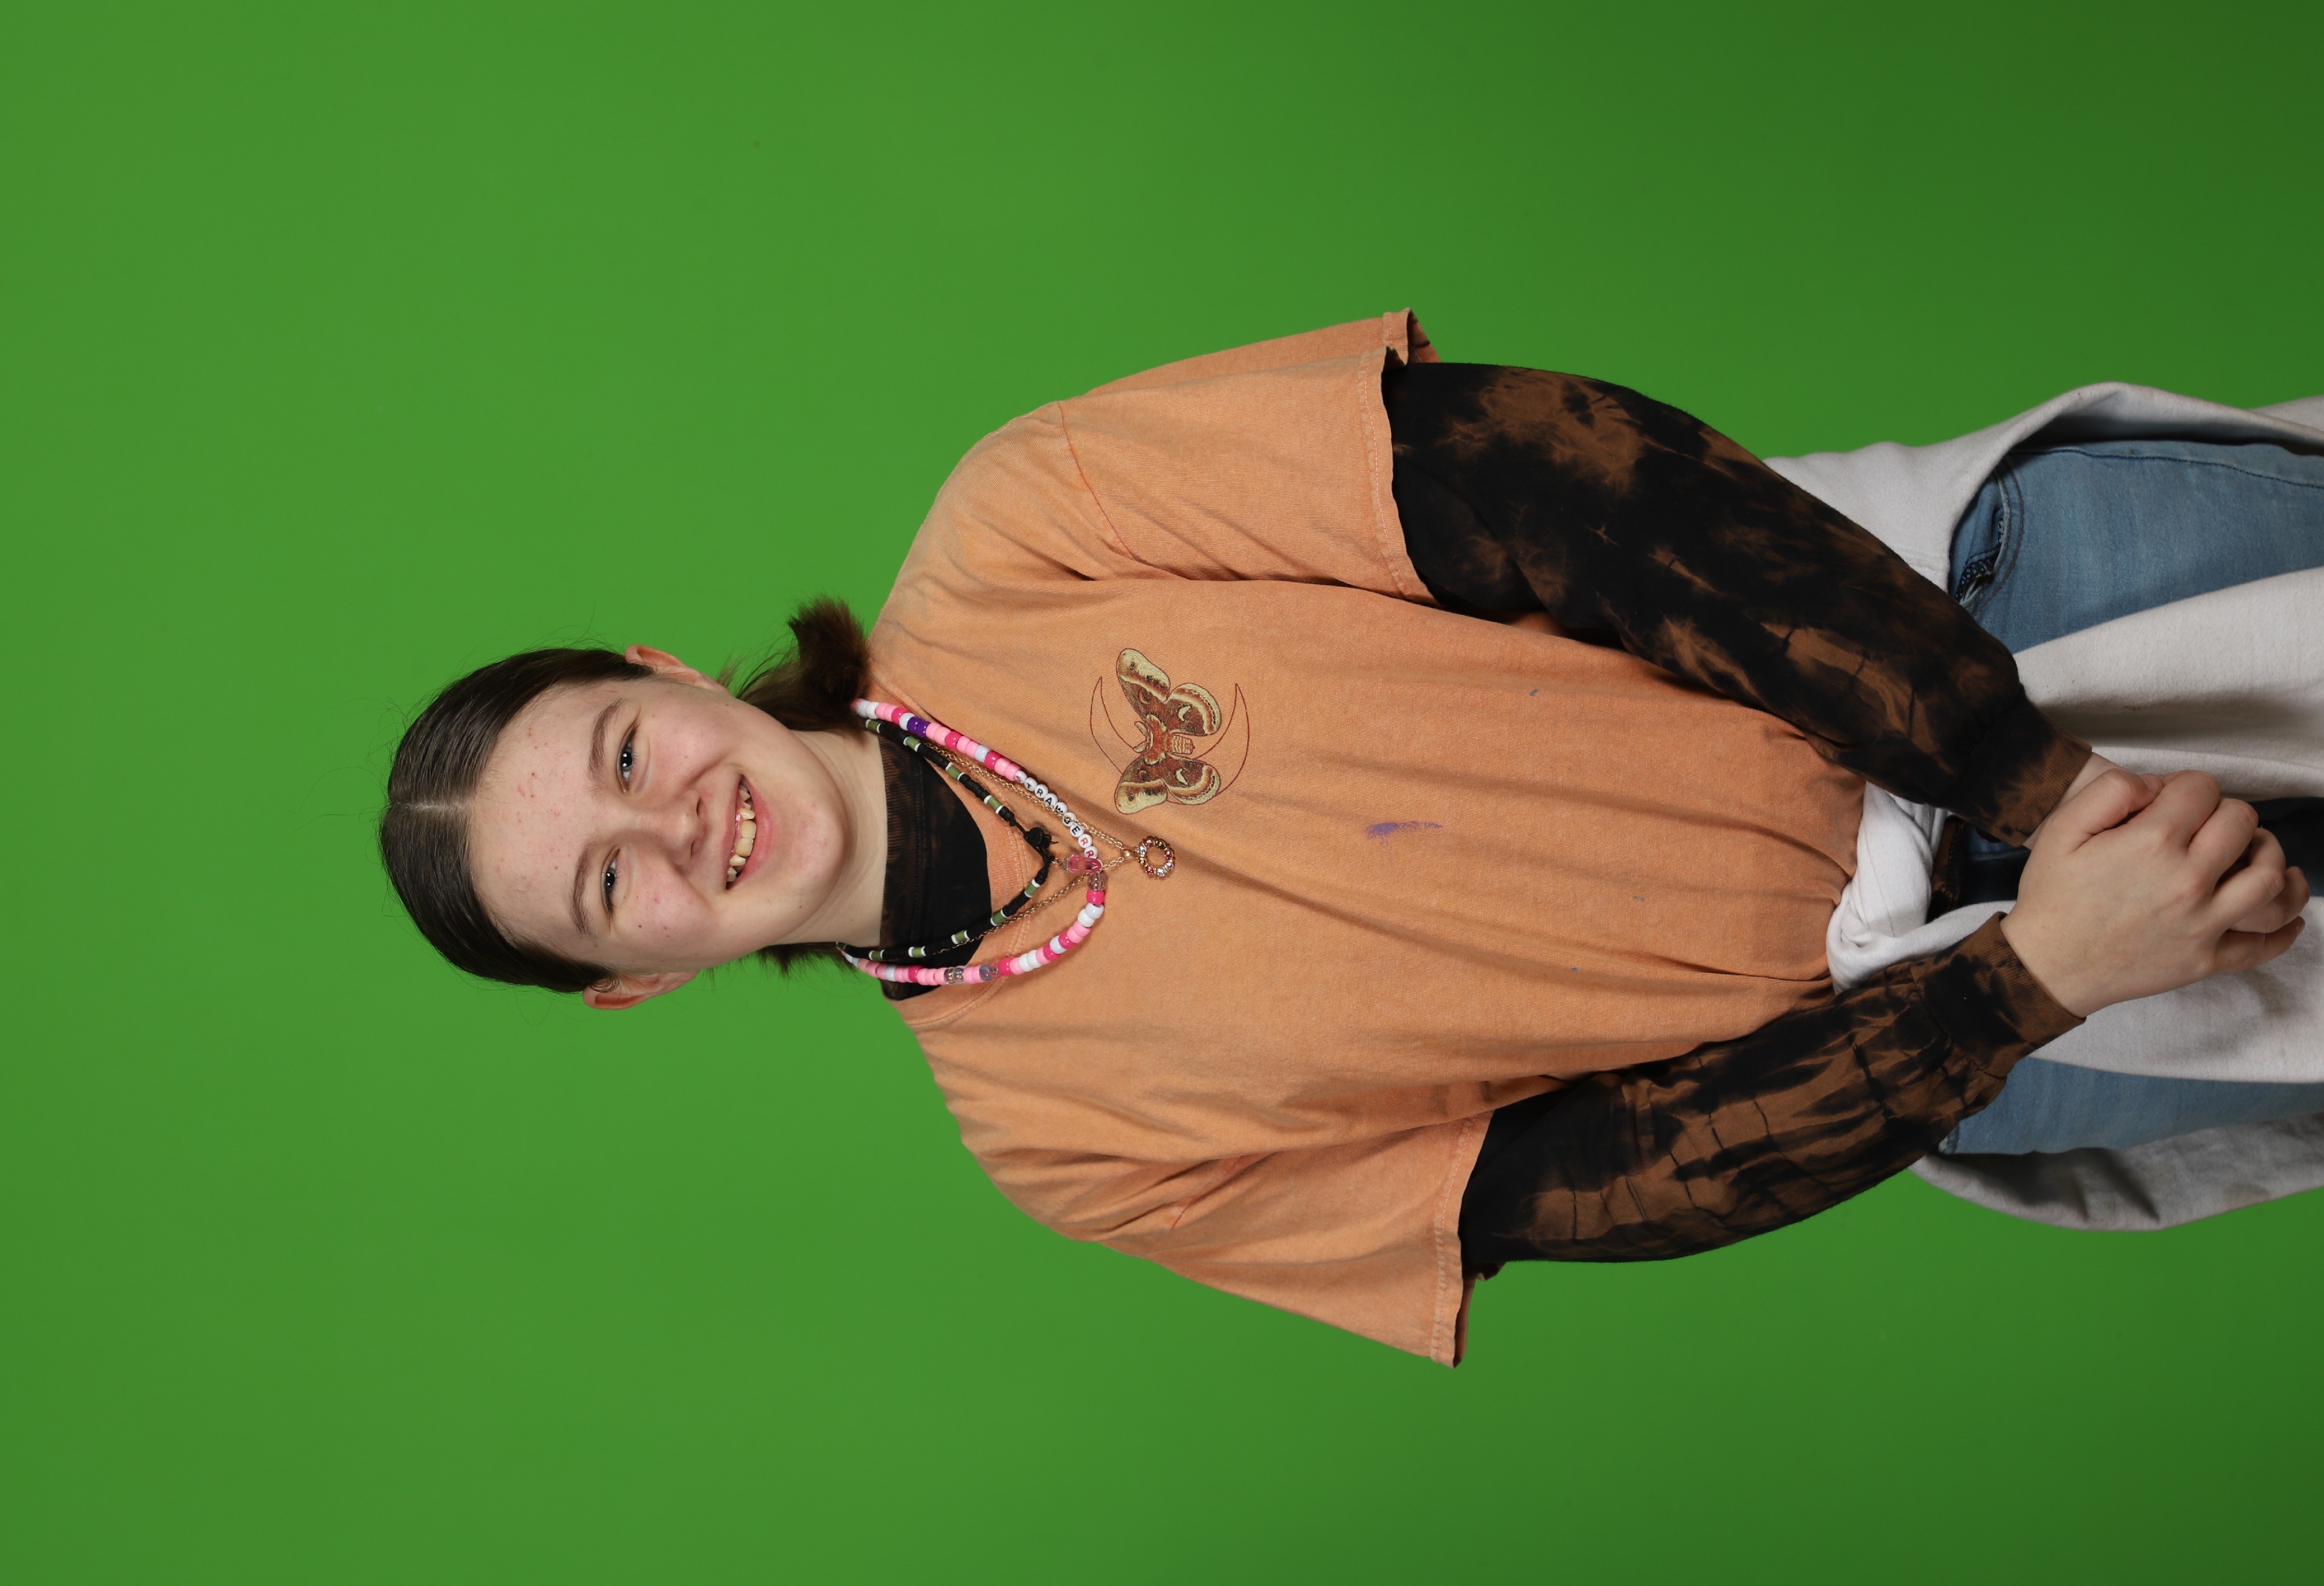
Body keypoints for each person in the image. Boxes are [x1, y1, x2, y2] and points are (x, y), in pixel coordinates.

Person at [380, 314, 2320, 1363]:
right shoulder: (1069, 1155)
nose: (676, 822)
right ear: (633, 983)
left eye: (623, 750)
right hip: (1991, 1021)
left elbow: (1562, 479)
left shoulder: (1024, 523)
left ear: (663, 673)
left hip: (1988, 620)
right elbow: (1601, 1183)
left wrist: (2026, 777)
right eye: (609, 882)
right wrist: (2028, 982)